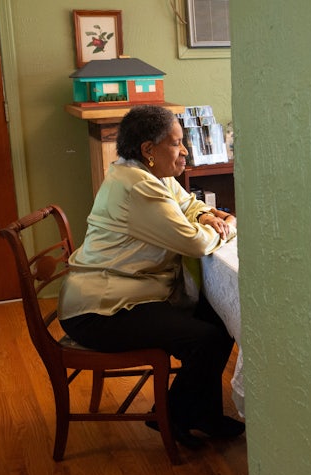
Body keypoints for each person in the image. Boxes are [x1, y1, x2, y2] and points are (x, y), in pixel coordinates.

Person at [58, 105, 244, 448]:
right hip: (100, 309)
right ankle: (171, 417)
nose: (185, 149)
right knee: (205, 337)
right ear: (148, 149)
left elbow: (187, 203)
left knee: (218, 318)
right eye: (176, 143)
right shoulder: (138, 187)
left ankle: (199, 413)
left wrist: (204, 213)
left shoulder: (149, 174)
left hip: (126, 294)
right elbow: (194, 244)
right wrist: (227, 226)